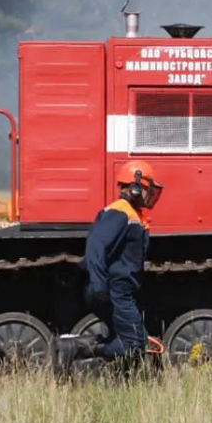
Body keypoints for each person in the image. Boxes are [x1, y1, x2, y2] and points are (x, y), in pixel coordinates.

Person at [50, 160, 164, 378]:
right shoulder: (119, 212)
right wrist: (100, 284)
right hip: (115, 290)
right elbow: (96, 246)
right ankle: (74, 348)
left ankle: (122, 383)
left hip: (119, 290)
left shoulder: (131, 213)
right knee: (133, 346)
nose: (151, 195)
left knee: (133, 339)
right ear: (136, 187)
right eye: (149, 189)